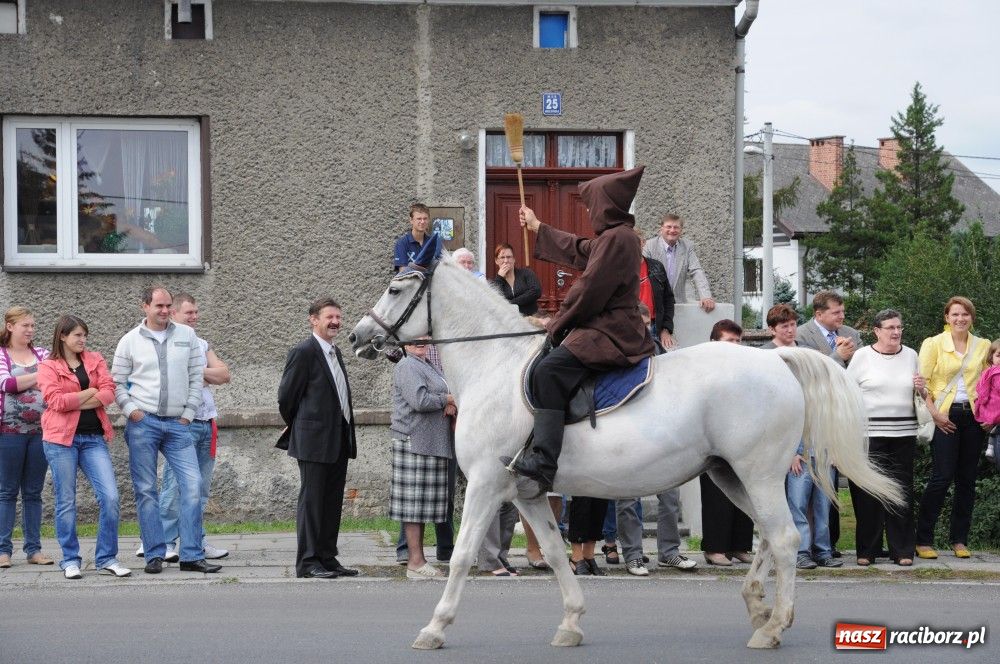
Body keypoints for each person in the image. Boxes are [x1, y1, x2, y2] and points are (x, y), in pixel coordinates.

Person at [506, 165, 654, 490]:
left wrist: (556, 324)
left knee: (548, 371)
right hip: (605, 325)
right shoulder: (613, 238)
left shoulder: (618, 239)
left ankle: (544, 461)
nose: (588, 211)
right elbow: (578, 248)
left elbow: (589, 290)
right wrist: (538, 227)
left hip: (611, 331)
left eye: (591, 205)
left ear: (605, 204)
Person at [112, 286, 219, 575]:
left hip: (178, 424)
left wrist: (187, 413)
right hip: (142, 422)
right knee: (146, 490)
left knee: (193, 485)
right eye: (158, 305)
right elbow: (117, 382)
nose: (164, 311)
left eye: (168, 306)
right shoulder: (129, 341)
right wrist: (131, 410)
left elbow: (197, 376)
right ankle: (154, 554)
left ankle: (192, 555)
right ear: (144, 306)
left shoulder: (187, 337)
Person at [38, 315, 130, 579]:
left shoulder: (95, 359)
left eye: (84, 335)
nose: (83, 340)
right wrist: (91, 393)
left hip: (93, 439)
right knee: (66, 501)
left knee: (110, 497)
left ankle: (107, 558)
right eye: (77, 335)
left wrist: (79, 398)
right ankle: (69, 559)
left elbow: (109, 392)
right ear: (63, 337)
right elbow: (55, 402)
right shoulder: (48, 367)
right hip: (60, 440)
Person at [278, 297, 359, 579]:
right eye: (329, 317)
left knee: (332, 501)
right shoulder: (304, 351)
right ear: (314, 319)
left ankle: (327, 557)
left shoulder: (334, 352)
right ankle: (308, 562)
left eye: (338, 316)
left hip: (338, 439)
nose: (335, 321)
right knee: (312, 502)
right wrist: (303, 427)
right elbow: (286, 398)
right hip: (313, 440)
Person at [148, 293, 231, 561]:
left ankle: (196, 540)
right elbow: (173, 376)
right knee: (174, 488)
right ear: (174, 314)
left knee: (200, 489)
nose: (194, 317)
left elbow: (224, 374)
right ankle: (166, 543)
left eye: (196, 312)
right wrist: (203, 372)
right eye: (188, 313)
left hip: (207, 423)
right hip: (182, 424)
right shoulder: (169, 343)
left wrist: (197, 371)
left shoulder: (201, 342)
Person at [615, 304, 696, 576]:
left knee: (670, 496)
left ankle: (669, 552)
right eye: (636, 321)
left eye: (646, 321)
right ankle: (633, 555)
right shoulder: (618, 352)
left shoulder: (660, 351)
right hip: (629, 433)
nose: (643, 326)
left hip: (661, 434)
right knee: (628, 498)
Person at [763, 305, 841, 569]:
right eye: (784, 326)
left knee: (823, 498)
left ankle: (823, 549)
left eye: (793, 324)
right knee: (796, 500)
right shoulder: (766, 356)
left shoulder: (807, 353)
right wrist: (789, 451)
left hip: (817, 430)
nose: (790, 329)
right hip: (790, 435)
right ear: (772, 329)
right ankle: (801, 551)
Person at [845, 309, 923, 566]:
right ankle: (867, 551)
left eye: (899, 327)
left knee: (900, 491)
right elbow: (848, 395)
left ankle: (902, 550)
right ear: (877, 330)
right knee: (869, 492)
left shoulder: (911, 354)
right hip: (870, 434)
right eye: (890, 327)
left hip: (904, 433)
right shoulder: (862, 356)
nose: (896, 332)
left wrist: (922, 388)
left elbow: (920, 392)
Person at [915, 296, 990, 561]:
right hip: (944, 415)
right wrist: (935, 415)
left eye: (965, 314)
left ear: (972, 317)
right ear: (947, 317)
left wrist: (989, 414)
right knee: (941, 477)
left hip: (973, 418)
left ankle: (959, 539)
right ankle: (923, 539)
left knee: (967, 481)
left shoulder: (983, 345)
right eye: (955, 314)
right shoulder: (933, 343)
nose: (960, 319)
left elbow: (990, 382)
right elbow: (920, 384)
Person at [795, 290, 860, 556]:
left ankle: (826, 546)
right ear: (819, 314)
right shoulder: (801, 335)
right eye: (836, 312)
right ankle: (804, 549)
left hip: (838, 414)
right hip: (809, 417)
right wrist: (836, 355)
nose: (842, 317)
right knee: (801, 495)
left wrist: (849, 355)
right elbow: (809, 373)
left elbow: (857, 372)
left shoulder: (852, 335)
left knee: (828, 490)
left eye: (843, 311)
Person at [389, 337, 456, 580]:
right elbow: (420, 400)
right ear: (404, 344)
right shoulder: (407, 365)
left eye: (424, 338)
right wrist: (446, 400)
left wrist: (449, 401)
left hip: (431, 443)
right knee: (413, 507)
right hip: (414, 441)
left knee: (423, 506)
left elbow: (445, 392)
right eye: (414, 339)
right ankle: (415, 563)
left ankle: (420, 560)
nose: (420, 342)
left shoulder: (428, 364)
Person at [0, 306, 53, 568]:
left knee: (33, 492)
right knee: (7, 492)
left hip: (40, 432)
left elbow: (53, 380)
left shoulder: (42, 353)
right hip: (8, 433)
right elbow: (7, 385)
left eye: (33, 325)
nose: (31, 330)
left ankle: (34, 550)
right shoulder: (1, 354)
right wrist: (38, 377)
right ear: (10, 326)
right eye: (25, 326)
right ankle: (3, 550)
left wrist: (25, 380)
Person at [701, 318, 754, 566]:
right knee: (717, 495)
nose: (735, 345)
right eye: (729, 341)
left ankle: (739, 545)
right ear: (714, 342)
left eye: (738, 341)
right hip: (712, 441)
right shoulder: (704, 369)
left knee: (744, 492)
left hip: (741, 439)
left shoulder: (746, 369)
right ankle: (715, 549)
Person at [642, 213, 715, 312]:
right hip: (654, 303)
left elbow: (696, 271)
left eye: (676, 227)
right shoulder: (649, 246)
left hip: (678, 304)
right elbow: (642, 273)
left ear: (681, 230)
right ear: (661, 229)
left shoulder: (687, 247)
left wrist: (706, 296)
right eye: (669, 227)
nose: (672, 230)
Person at [491, 243, 542, 316]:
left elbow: (536, 291)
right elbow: (494, 300)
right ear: (496, 261)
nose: (506, 261)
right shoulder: (495, 282)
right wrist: (500, 277)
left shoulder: (526, 273)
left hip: (531, 318)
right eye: (502, 257)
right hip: (508, 322)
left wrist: (510, 304)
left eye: (509, 257)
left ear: (514, 259)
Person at [973, 339, 1000, 461]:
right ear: (991, 357)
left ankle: (990, 445)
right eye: (999, 355)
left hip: (989, 410)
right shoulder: (996, 372)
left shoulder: (987, 372)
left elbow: (980, 389)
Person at [393, 203, 431, 272]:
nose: (422, 222)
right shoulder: (402, 243)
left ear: (428, 220)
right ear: (411, 220)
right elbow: (403, 272)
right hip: (410, 282)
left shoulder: (432, 243)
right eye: (419, 219)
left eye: (425, 218)